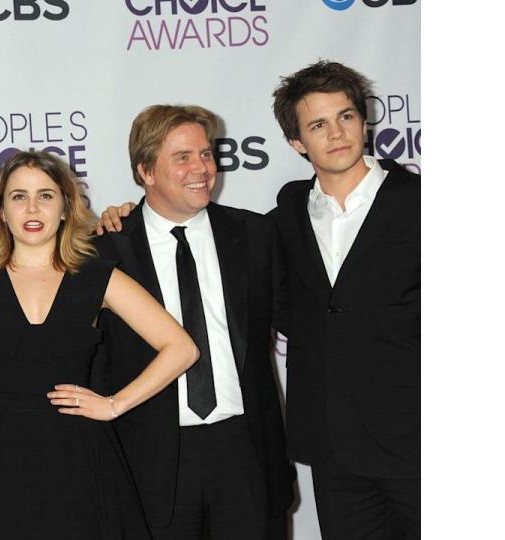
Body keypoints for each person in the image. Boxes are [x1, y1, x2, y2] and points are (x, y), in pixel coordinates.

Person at [0, 150, 199, 539]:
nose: (32, 208)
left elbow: (181, 348)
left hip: (80, 457)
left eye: (46, 195)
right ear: (0, 210)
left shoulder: (96, 277)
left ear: (65, 207)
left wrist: (114, 404)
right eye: (18, 196)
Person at [94, 105, 296, 540]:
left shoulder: (256, 235)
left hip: (246, 451)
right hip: (150, 459)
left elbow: (303, 323)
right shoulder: (104, 250)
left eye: (206, 154)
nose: (202, 168)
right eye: (182, 157)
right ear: (145, 171)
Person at [269, 60, 420, 540]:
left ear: (363, 120)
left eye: (346, 116)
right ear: (298, 142)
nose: (337, 134)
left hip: (420, 440)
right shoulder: (287, 213)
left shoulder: (422, 202)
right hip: (336, 451)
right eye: (318, 124)